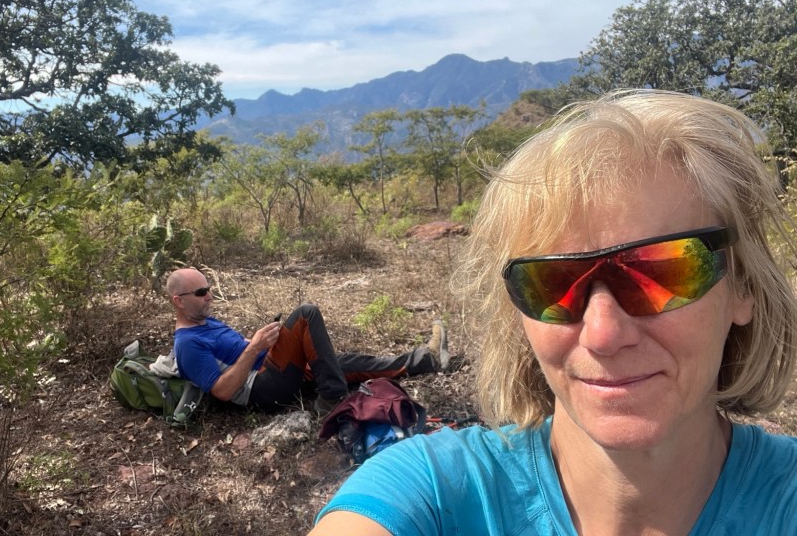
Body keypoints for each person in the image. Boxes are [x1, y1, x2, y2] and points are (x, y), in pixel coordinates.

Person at [310, 90, 797, 535]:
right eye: (551, 283)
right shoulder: (431, 491)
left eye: (663, 272)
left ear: (743, 286)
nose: (604, 334)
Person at [166, 267, 448, 415]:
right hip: (261, 390)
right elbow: (222, 391)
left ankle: (427, 359)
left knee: (344, 363)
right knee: (306, 313)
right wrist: (255, 347)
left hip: (272, 368)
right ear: (179, 301)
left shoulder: (205, 321)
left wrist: (269, 342)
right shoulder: (187, 344)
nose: (209, 296)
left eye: (208, 289)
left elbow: (237, 349)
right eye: (201, 292)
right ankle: (331, 399)